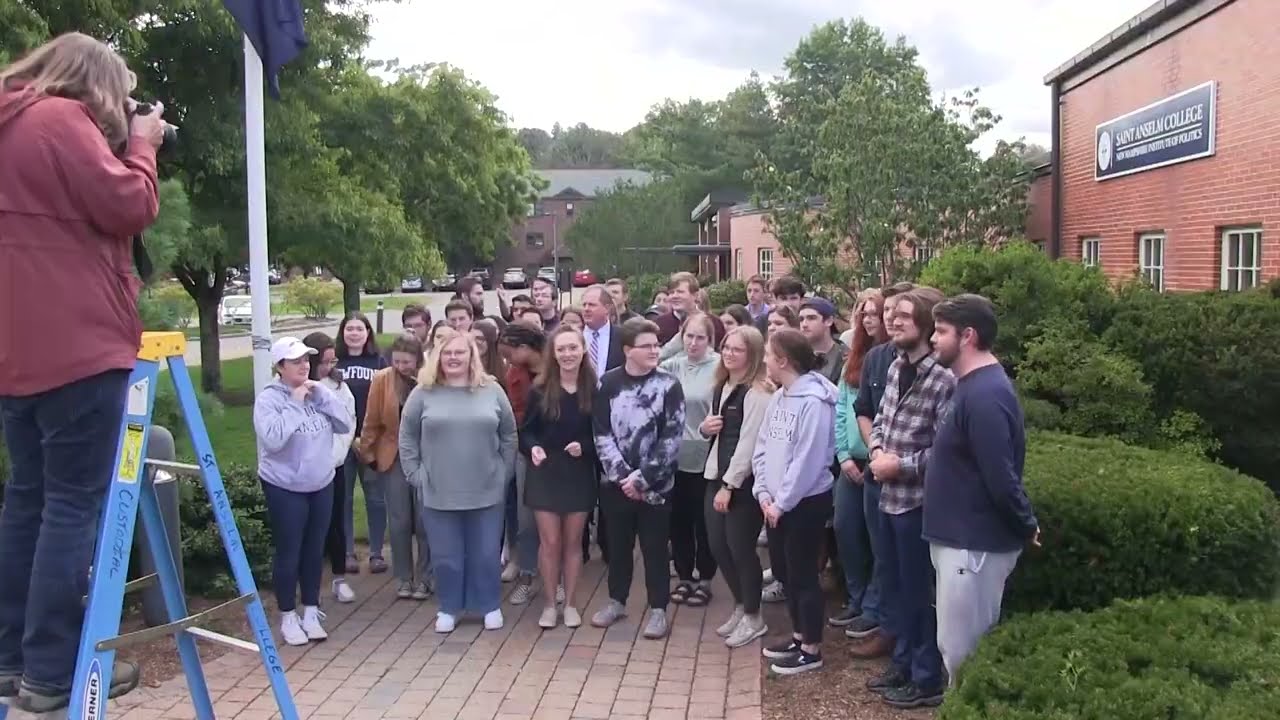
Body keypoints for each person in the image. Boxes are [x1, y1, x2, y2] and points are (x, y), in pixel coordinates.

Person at [0, 31, 165, 712]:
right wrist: (144, 143)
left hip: (17, 352)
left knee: (28, 504)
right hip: (79, 346)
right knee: (72, 508)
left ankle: (13, 660)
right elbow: (128, 203)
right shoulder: (59, 118)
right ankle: (53, 671)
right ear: (94, 81)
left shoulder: (11, 121)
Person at [926, 294, 1039, 683]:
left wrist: (1026, 523)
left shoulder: (987, 394)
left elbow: (1001, 476)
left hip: (973, 546)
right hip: (959, 542)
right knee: (954, 649)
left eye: (940, 331)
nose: (932, 339)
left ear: (968, 336)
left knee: (964, 653)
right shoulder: (970, 386)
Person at [867, 287, 955, 709]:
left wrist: (899, 465)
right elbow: (882, 419)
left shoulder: (943, 378)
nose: (893, 321)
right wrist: (877, 451)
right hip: (887, 497)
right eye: (892, 315)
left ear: (923, 323)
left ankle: (926, 679)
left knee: (919, 594)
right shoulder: (895, 365)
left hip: (917, 503)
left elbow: (947, 450)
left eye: (904, 316)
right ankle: (902, 664)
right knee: (898, 589)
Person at [399, 328, 517, 633]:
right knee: (446, 555)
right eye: (447, 353)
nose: (453, 358)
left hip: (486, 488)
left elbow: (508, 434)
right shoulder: (423, 393)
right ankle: (450, 607)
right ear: (437, 356)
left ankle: (489, 605)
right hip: (438, 490)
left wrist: (503, 472)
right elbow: (408, 436)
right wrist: (415, 474)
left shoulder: (491, 390)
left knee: (486, 552)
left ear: (471, 356)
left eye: (459, 353)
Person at [254, 337, 354, 646]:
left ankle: (311, 610)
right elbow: (273, 439)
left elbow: (343, 424)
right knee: (290, 550)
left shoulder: (317, 391)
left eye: (306, 360)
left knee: (315, 549)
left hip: (320, 482)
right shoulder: (269, 399)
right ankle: (288, 615)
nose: (304, 365)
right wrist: (295, 404)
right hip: (284, 485)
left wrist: (322, 397)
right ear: (280, 366)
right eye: (296, 361)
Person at [591, 318, 685, 639]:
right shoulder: (606, 383)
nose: (654, 350)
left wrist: (642, 479)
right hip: (616, 486)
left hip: (656, 488)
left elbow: (672, 438)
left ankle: (658, 609)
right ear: (628, 350)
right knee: (618, 547)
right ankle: (617, 601)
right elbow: (601, 434)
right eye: (646, 346)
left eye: (656, 345)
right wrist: (622, 478)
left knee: (655, 549)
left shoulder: (669, 386)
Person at [753, 329, 836, 676]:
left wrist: (782, 502)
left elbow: (808, 460)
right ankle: (798, 636)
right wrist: (763, 492)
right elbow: (763, 447)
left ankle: (811, 649)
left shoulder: (814, 403)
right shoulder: (780, 397)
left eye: (769, 356)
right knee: (786, 574)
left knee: (803, 576)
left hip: (803, 503)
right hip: (775, 505)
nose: (765, 362)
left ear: (784, 360)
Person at [520, 327, 599, 629]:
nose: (567, 354)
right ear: (553, 354)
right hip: (545, 472)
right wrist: (534, 448)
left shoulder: (594, 389)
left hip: (578, 472)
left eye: (572, 348)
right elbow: (526, 432)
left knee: (572, 542)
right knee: (550, 542)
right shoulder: (539, 390)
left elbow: (603, 434)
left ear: (582, 351)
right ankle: (550, 604)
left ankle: (572, 604)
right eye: (561, 349)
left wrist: (586, 447)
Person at [701, 327, 773, 648]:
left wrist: (729, 485)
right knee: (719, 546)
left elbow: (749, 443)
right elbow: (718, 434)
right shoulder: (721, 385)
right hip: (716, 476)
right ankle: (741, 605)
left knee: (741, 549)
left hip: (741, 484)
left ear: (753, 355)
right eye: (726, 347)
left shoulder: (757, 392)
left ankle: (754, 617)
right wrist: (706, 428)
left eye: (737, 350)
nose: (729, 354)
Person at [828, 290, 888, 633]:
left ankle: (874, 606)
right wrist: (844, 455)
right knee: (846, 528)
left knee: (877, 538)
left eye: (875, 314)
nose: (869, 320)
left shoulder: (893, 360)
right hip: (851, 462)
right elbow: (841, 410)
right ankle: (856, 596)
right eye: (864, 314)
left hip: (878, 463)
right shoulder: (854, 358)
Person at [359, 334, 433, 600]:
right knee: (400, 520)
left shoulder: (429, 379)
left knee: (425, 520)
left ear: (418, 359)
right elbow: (371, 421)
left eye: (407, 361)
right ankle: (404, 578)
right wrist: (368, 454)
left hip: (426, 457)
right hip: (394, 457)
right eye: (397, 361)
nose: (402, 366)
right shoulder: (382, 380)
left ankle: (427, 577)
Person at [661, 313, 721, 608]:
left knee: (703, 522)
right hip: (675, 455)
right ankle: (685, 576)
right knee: (679, 521)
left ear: (710, 340)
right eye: (689, 336)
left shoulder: (720, 366)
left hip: (706, 454)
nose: (694, 343)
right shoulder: (672, 366)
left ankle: (706, 578)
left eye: (700, 337)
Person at [303, 332, 358, 604]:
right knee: (309, 526)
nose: (329, 366)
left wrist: (336, 454)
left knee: (335, 522)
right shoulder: (297, 386)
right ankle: (308, 582)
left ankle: (339, 578)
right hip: (304, 469)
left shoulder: (338, 386)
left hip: (333, 466)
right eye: (325, 361)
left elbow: (348, 420)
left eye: (332, 360)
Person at [334, 311, 389, 575]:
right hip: (341, 440)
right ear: (342, 333)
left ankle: (377, 552)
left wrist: (367, 437)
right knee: (342, 497)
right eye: (349, 329)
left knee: (375, 496)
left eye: (359, 328)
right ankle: (347, 552)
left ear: (368, 333)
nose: (354, 333)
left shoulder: (379, 362)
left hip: (371, 440)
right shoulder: (334, 363)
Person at [496, 324, 546, 603]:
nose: (507, 361)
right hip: (526, 449)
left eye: (509, 354)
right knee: (525, 519)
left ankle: (558, 579)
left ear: (525, 348)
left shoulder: (559, 367)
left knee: (555, 521)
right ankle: (527, 573)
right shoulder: (515, 375)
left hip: (562, 452)